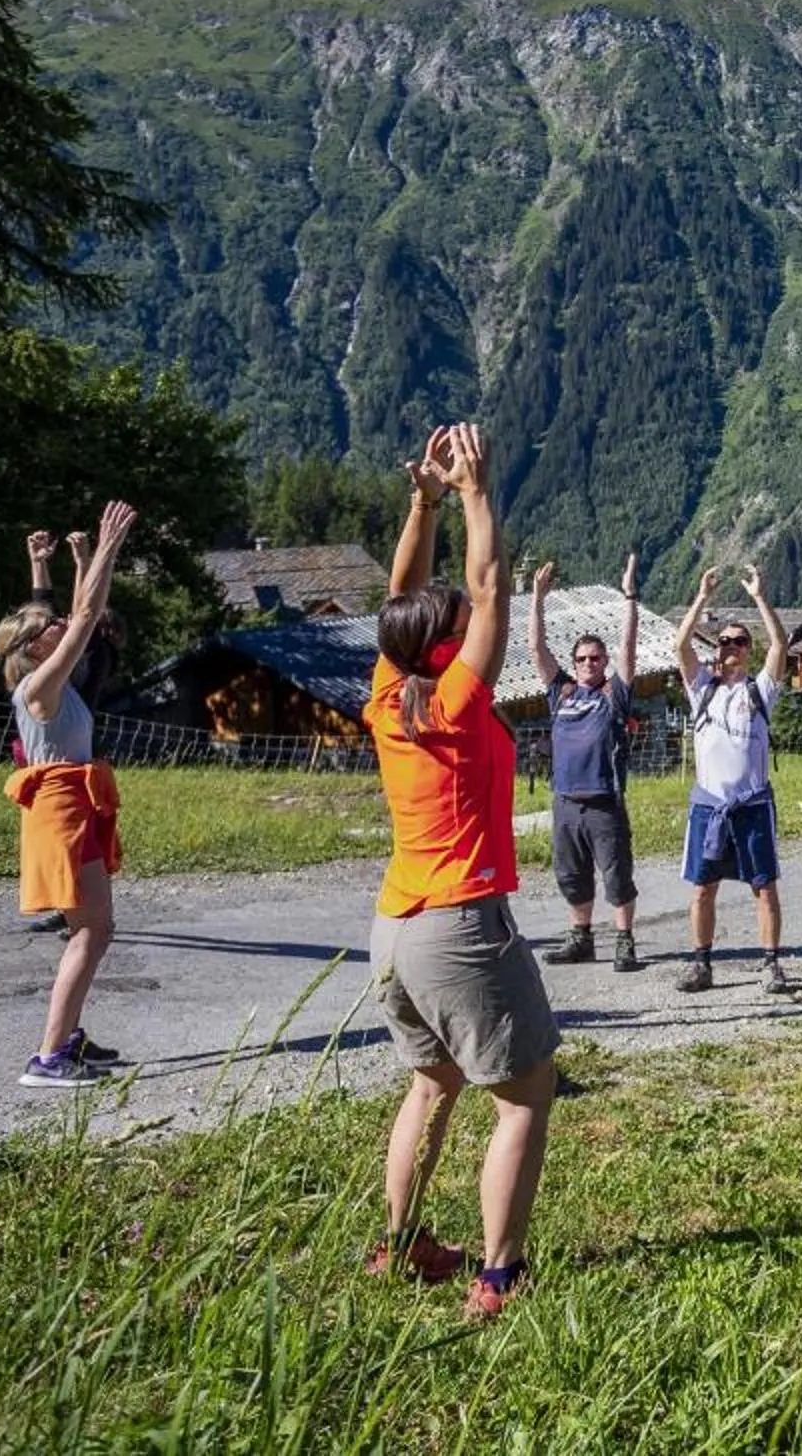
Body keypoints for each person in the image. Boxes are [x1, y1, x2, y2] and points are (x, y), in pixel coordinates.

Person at [362, 424, 558, 1322]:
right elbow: (487, 587)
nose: (459, 614)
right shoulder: (451, 699)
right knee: (524, 1097)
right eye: (453, 622)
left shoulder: (387, 690)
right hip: (460, 923)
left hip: (393, 928)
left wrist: (422, 501)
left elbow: (402, 594)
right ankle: (498, 1277)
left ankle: (400, 1248)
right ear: (442, 642)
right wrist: (476, 490)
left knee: (431, 1082)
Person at [0, 498, 139, 1088]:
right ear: (31, 648)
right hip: (62, 810)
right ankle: (49, 1057)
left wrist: (93, 560)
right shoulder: (38, 686)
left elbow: (87, 616)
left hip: (74, 803)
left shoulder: (50, 680)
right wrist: (105, 547)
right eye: (43, 627)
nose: (54, 626)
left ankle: (67, 1042)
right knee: (90, 930)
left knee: (95, 928)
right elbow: (82, 619)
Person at [675, 564, 793, 992]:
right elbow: (680, 643)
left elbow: (781, 643)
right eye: (725, 641)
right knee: (703, 888)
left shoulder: (760, 690)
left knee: (764, 887)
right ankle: (701, 963)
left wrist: (760, 597)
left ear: (748, 650)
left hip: (753, 805)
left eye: (740, 642)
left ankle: (772, 964)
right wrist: (701, 597)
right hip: (709, 806)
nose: (731, 648)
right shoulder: (701, 689)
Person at [531, 554, 643, 974]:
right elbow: (535, 648)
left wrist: (629, 594)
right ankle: (581, 939)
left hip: (604, 804)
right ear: (573, 663)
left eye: (595, 658)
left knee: (616, 876)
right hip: (565, 803)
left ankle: (624, 941)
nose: (588, 664)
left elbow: (628, 649)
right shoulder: (560, 693)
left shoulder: (614, 695)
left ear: (604, 663)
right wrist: (538, 598)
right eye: (581, 659)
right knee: (570, 875)